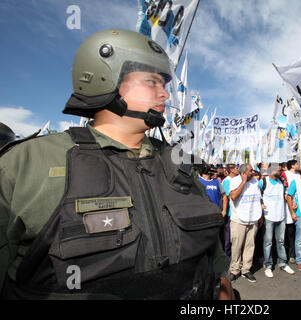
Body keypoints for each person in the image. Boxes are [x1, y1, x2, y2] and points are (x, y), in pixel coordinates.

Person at [0, 29, 233, 300]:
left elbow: (213, 255)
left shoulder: (180, 164)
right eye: (152, 82)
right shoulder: (27, 165)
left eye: (165, 85)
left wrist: (223, 287)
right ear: (104, 79)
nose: (165, 96)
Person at [228, 164, 263, 283]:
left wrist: (260, 215)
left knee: (250, 246)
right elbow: (232, 196)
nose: (253, 172)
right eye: (251, 170)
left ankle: (246, 269)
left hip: (253, 219)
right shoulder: (234, 181)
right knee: (236, 246)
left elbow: (258, 198)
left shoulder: (255, 181)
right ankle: (234, 270)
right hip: (238, 220)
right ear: (243, 173)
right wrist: (243, 182)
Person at [260, 163, 295, 278]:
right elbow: (257, 195)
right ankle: (268, 265)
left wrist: (291, 201)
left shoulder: (281, 182)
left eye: (280, 170)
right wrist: (260, 204)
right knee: (268, 242)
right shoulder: (263, 181)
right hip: (268, 216)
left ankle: (283, 263)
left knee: (281, 241)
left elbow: (284, 195)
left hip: (280, 216)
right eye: (278, 170)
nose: (280, 172)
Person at [282, 159, 299, 264]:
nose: (298, 165)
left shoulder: (299, 176)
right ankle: (289, 254)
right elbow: (285, 191)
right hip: (288, 208)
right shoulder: (285, 174)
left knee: (297, 232)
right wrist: (291, 201)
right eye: (297, 164)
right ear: (293, 165)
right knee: (289, 232)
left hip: (299, 208)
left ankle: (295, 253)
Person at [222, 164, 240, 258]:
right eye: (237, 168)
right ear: (232, 170)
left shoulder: (237, 180)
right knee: (229, 237)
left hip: (237, 212)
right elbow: (229, 196)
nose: (238, 169)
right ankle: (227, 257)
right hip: (230, 213)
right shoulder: (226, 181)